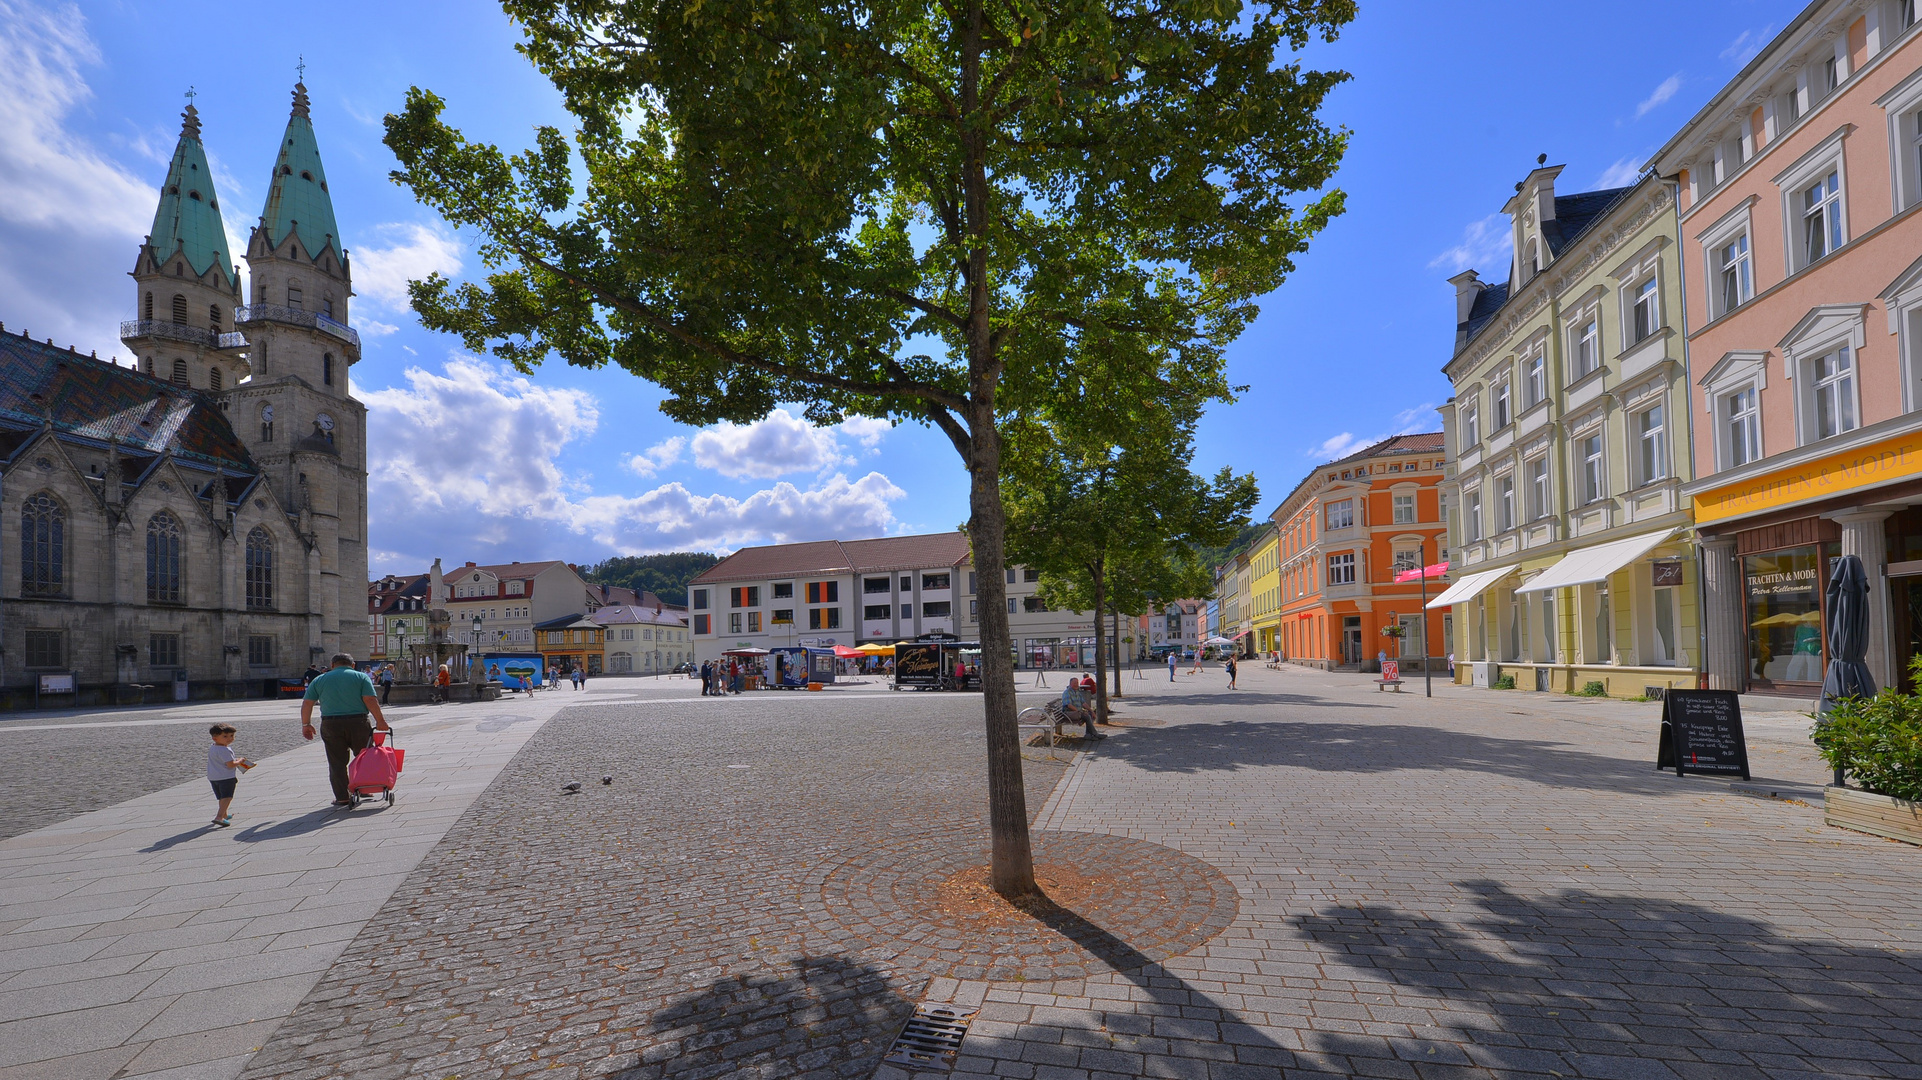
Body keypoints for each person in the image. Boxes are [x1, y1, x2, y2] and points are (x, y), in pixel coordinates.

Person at [300, 653, 389, 808]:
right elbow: (370, 700)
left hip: (331, 723)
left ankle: (342, 797)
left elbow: (307, 703)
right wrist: (380, 721)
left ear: (332, 665)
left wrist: (306, 724)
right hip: (358, 722)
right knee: (363, 757)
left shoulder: (320, 679)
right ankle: (364, 788)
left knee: (336, 762)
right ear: (352, 665)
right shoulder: (361, 677)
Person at [206, 723, 252, 827]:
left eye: (231, 736)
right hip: (226, 777)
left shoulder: (213, 747)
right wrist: (240, 760)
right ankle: (219, 817)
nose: (229, 739)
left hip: (213, 777)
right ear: (215, 738)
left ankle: (225, 815)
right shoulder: (224, 750)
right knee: (227, 797)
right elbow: (231, 764)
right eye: (225, 736)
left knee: (221, 797)